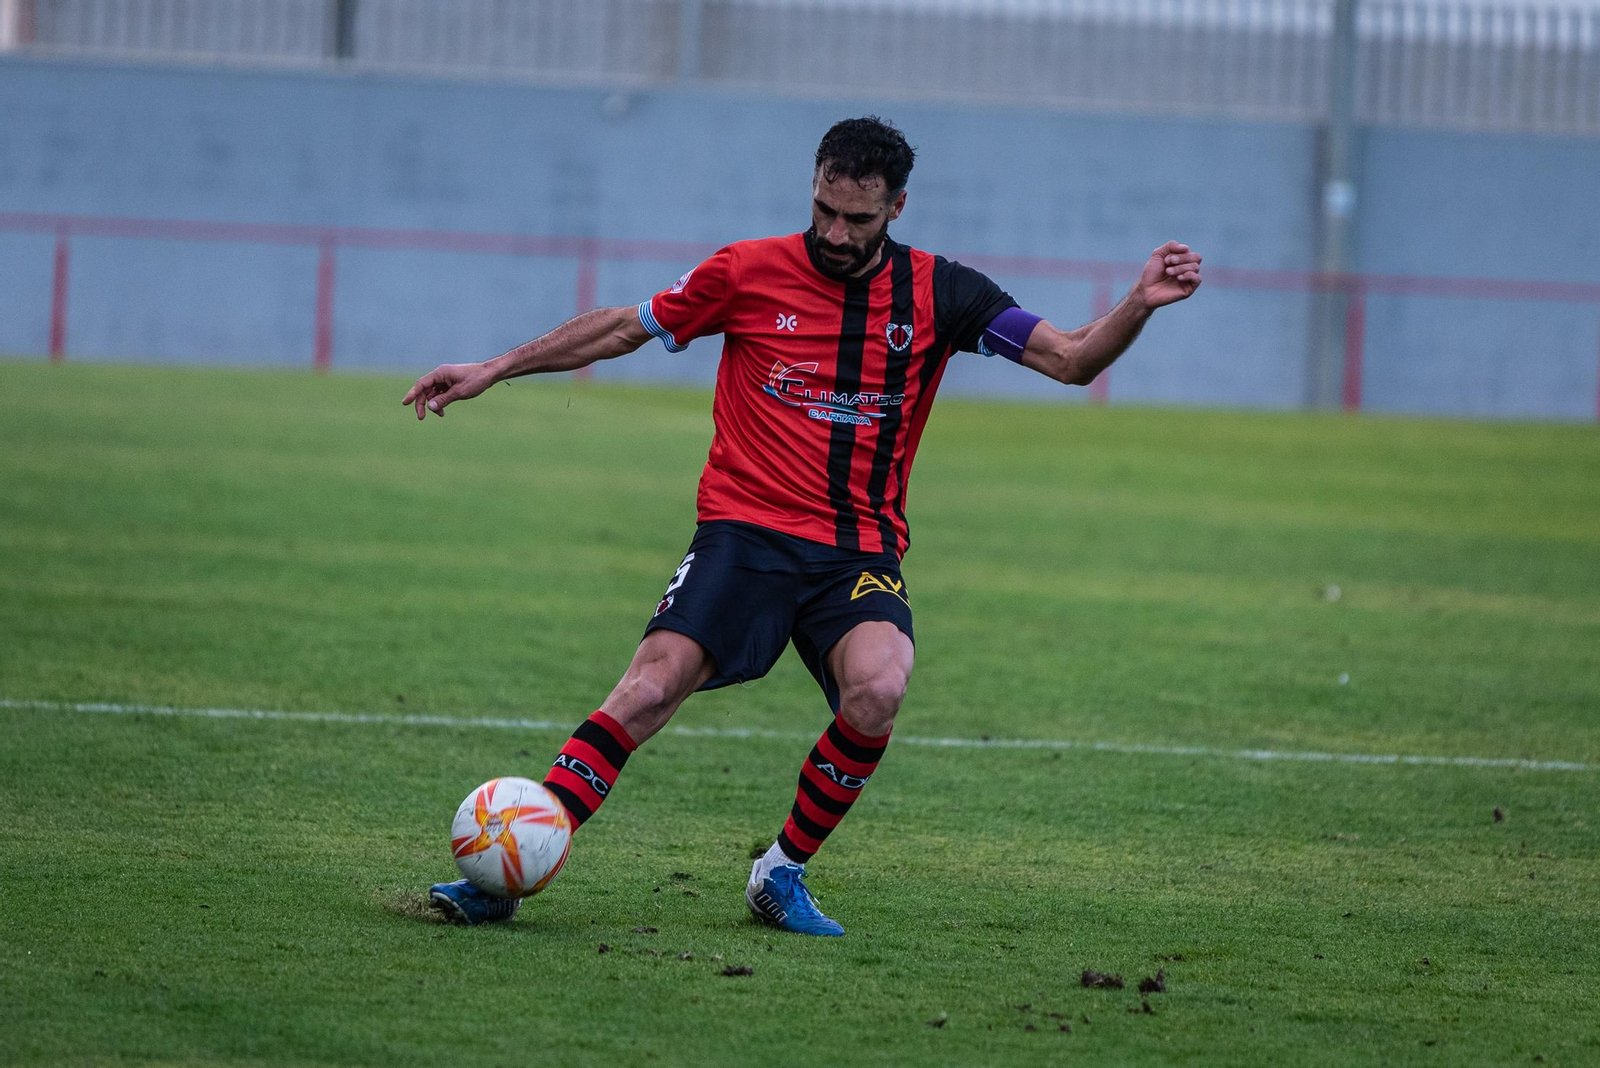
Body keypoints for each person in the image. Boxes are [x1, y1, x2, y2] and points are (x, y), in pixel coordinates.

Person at [406, 117, 1202, 935]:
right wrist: (496, 367)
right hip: (744, 531)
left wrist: (1138, 303)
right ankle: (506, 875)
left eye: (857, 219)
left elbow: (1070, 358)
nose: (834, 232)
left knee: (880, 686)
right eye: (823, 209)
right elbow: (621, 327)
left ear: (896, 208)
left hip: (856, 547)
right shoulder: (746, 270)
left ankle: (780, 872)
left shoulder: (942, 292)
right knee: (649, 686)